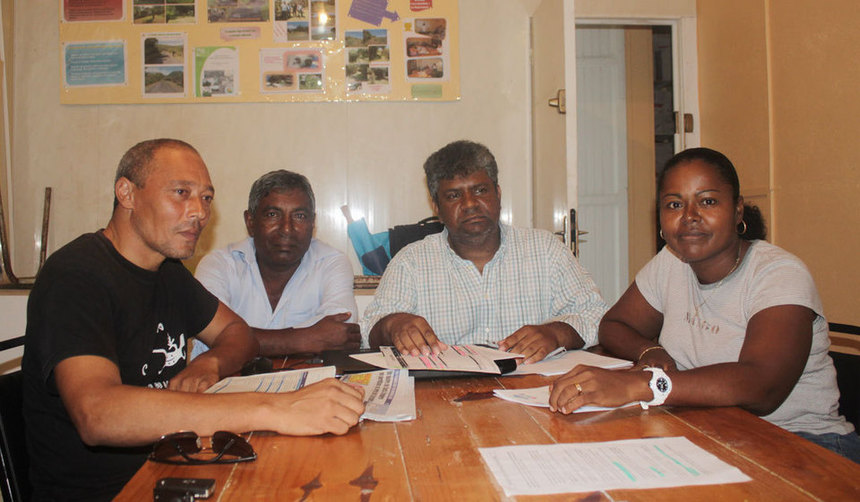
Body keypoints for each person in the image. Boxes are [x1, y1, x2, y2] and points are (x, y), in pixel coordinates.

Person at [21, 139, 365, 501]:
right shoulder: (76, 276)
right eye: (181, 193)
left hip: (176, 466)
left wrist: (211, 362)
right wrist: (275, 408)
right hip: (112, 491)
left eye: (206, 198)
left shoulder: (167, 273)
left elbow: (238, 333)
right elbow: (98, 415)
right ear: (127, 193)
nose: (199, 212)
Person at [549, 147, 860, 463]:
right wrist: (648, 351)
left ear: (738, 211)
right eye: (674, 205)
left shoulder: (778, 274)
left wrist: (640, 385)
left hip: (804, 444)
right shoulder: (672, 262)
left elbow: (762, 386)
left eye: (708, 201)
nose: (689, 217)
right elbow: (615, 325)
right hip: (706, 430)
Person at [361, 140, 607, 363]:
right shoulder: (410, 262)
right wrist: (393, 325)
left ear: (498, 194)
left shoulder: (546, 250)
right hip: (447, 395)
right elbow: (368, 331)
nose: (469, 204)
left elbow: (596, 315)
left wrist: (556, 333)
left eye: (480, 190)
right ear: (436, 207)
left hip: (533, 391)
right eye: (454, 195)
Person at [191, 169, 360, 358]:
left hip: (309, 385)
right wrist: (304, 339)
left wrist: (237, 341)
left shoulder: (332, 262)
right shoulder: (218, 265)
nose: (286, 229)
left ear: (313, 223)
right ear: (250, 221)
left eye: (299, 216)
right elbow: (210, 337)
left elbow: (340, 335)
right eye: (272, 214)